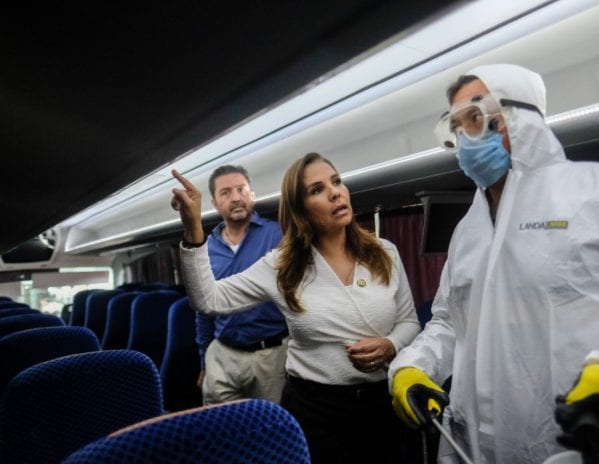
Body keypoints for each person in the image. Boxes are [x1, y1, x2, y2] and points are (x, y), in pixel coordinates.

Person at [388, 63, 599, 464]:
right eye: (455, 127)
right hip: (478, 448)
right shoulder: (468, 232)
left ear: (520, 117)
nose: (464, 138)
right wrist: (413, 367)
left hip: (591, 444)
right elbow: (450, 322)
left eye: (475, 118)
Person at [171, 152, 421, 464]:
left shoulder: (385, 252)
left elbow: (409, 322)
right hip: (315, 409)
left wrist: (391, 344)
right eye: (317, 190)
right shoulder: (283, 266)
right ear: (300, 210)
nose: (335, 192)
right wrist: (193, 228)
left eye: (336, 182)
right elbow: (207, 299)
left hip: (381, 402)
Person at [194, 165, 287, 405]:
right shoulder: (206, 249)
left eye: (241, 189)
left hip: (271, 355)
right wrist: (204, 361)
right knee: (219, 424)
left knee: (270, 423)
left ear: (252, 195)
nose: (236, 197)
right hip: (222, 355)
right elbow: (203, 312)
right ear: (215, 203)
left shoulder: (278, 236)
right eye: (225, 193)